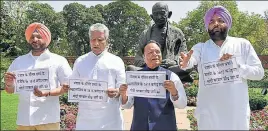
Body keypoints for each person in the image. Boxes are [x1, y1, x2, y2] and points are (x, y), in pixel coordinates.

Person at [179, 6, 265, 130]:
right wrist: (186, 62)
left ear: (228, 23)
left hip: (235, 115)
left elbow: (259, 73)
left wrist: (237, 66)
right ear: (207, 26)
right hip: (208, 115)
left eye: (220, 20)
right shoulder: (201, 48)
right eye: (211, 21)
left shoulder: (242, 44)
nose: (216, 24)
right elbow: (191, 59)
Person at [4, 22, 72, 130]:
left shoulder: (59, 60)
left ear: (46, 38)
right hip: (24, 119)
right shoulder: (19, 61)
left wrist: (47, 93)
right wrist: (8, 84)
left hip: (48, 118)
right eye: (32, 37)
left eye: (39, 37)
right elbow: (10, 90)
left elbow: (67, 87)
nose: (35, 40)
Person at [120, 40, 187, 130]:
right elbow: (127, 105)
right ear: (144, 57)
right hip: (139, 126)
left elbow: (182, 104)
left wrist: (174, 92)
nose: (155, 54)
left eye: (157, 52)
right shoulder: (135, 77)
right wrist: (124, 95)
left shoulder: (171, 76)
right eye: (150, 52)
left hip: (164, 126)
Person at [70, 23, 126, 130]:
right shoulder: (80, 61)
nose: (96, 43)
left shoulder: (117, 61)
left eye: (100, 40)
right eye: (93, 39)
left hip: (110, 118)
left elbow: (122, 87)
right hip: (86, 118)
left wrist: (117, 91)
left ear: (106, 40)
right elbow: (73, 86)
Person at [127, 2, 193, 83]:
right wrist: (150, 64)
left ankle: (162, 75)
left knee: (188, 67)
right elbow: (138, 58)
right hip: (149, 69)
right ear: (152, 17)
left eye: (162, 13)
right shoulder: (145, 34)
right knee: (130, 68)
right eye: (156, 14)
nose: (159, 17)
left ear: (169, 14)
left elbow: (183, 56)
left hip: (169, 68)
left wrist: (172, 62)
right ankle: (157, 75)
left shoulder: (177, 33)